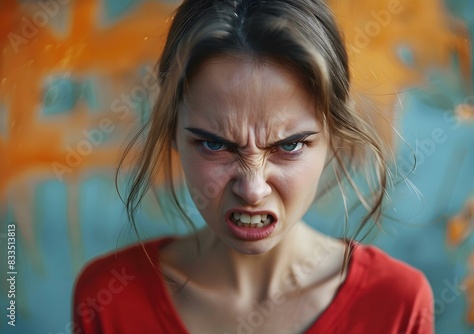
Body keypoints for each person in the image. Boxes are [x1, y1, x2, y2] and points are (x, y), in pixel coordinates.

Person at [73, 0, 434, 333]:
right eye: (215, 145)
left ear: (334, 137)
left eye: (289, 146)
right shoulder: (110, 297)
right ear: (171, 131)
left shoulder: (396, 304)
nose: (252, 189)